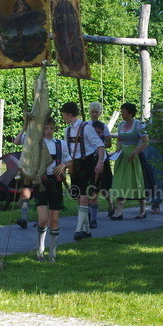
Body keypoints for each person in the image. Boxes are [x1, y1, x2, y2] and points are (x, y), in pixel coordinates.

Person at [61, 101, 106, 240]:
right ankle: (86, 230)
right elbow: (66, 150)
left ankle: (79, 229)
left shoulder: (86, 127)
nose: (63, 118)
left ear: (69, 114)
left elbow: (100, 145)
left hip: (88, 164)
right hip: (75, 165)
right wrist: (65, 165)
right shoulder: (67, 130)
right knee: (78, 198)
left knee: (84, 197)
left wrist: (99, 162)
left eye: (63, 115)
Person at [31, 115, 71, 261]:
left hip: (55, 183)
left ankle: (52, 253)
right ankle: (40, 248)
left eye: (51, 128)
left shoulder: (61, 144)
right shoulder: (35, 144)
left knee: (54, 221)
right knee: (43, 219)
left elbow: (69, 161)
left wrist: (63, 165)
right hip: (40, 183)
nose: (49, 131)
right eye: (46, 128)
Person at [110, 102, 150, 219]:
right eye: (121, 112)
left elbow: (145, 142)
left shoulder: (139, 124)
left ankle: (143, 211)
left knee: (137, 183)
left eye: (124, 112)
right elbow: (119, 139)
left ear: (130, 113)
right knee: (119, 182)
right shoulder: (121, 124)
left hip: (135, 157)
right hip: (122, 157)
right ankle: (119, 212)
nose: (122, 114)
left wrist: (134, 153)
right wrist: (118, 149)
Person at [87, 102, 115, 227]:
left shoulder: (104, 126)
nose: (94, 114)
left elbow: (108, 143)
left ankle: (110, 204)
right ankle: (90, 213)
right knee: (91, 186)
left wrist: (100, 142)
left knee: (104, 186)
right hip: (89, 159)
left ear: (100, 113)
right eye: (92, 112)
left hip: (102, 158)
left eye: (96, 112)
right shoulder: (86, 125)